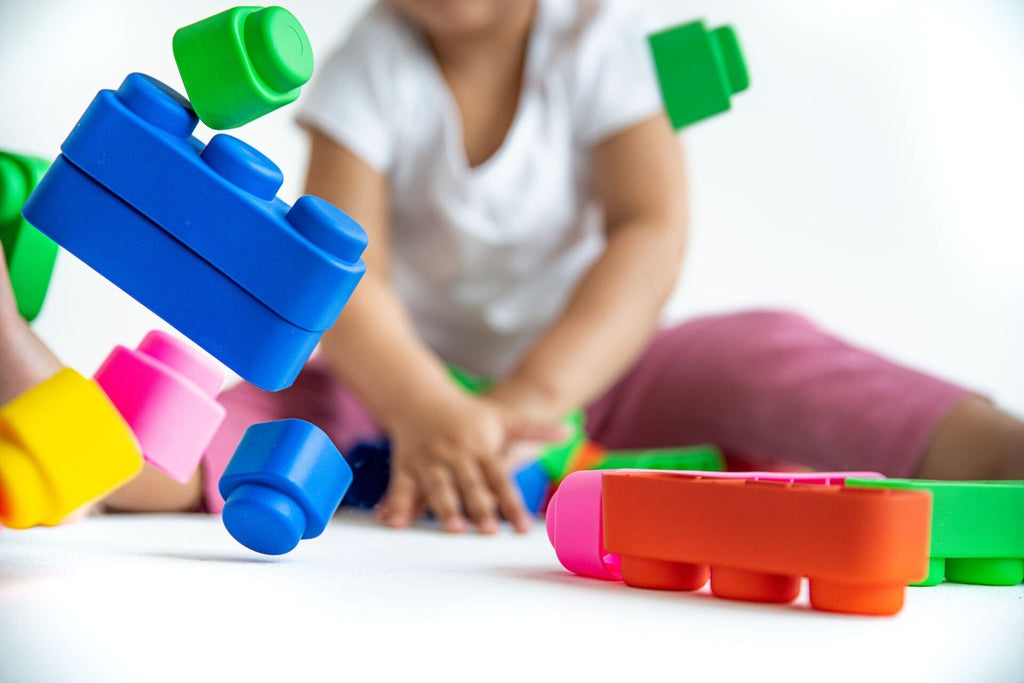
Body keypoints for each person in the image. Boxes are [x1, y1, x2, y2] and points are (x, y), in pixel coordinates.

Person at [44, 0, 1024, 530]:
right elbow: (342, 274)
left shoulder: (599, 44)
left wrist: (540, 388)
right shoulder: (370, 65)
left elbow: (650, 230)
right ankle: (63, 449)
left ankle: (987, 446)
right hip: (388, 380)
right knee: (249, 400)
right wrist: (428, 405)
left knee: (762, 349)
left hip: (597, 374)